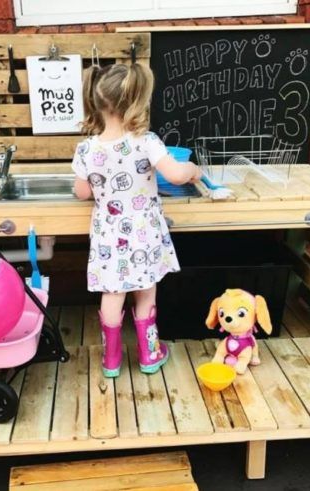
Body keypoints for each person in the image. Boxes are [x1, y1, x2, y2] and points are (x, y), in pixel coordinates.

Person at [71, 62, 201, 377]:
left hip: (108, 236)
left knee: (112, 295)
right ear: (135, 102)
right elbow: (175, 173)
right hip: (144, 233)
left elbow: (82, 192)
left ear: (97, 101)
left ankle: (111, 360)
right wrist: (195, 171)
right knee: (146, 292)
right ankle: (149, 354)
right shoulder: (146, 141)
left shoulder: (86, 149)